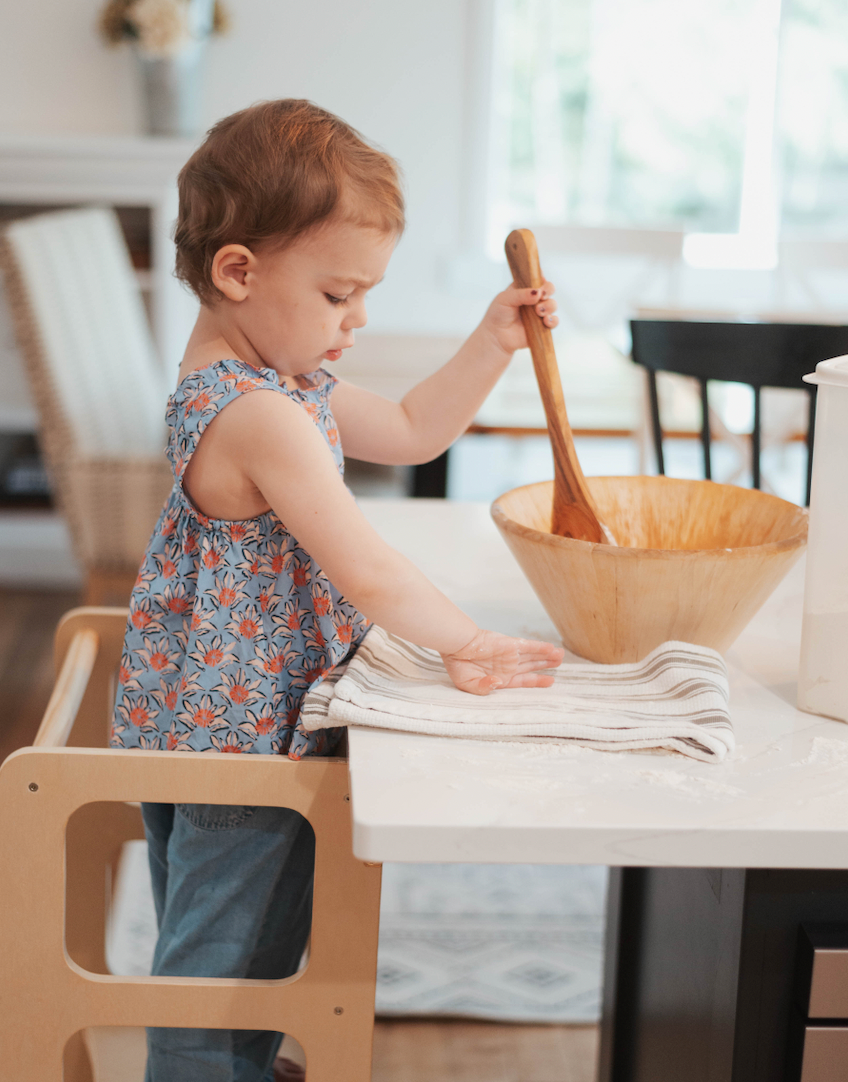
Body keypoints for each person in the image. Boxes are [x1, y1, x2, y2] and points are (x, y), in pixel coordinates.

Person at [111, 98, 564, 1082]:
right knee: (216, 969)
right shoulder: (256, 414)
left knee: (254, 942)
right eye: (336, 294)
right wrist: (466, 642)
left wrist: (492, 341)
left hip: (238, 716)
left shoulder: (277, 385)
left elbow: (408, 427)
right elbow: (364, 563)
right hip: (235, 736)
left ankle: (237, 1060)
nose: (357, 319)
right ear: (239, 271)